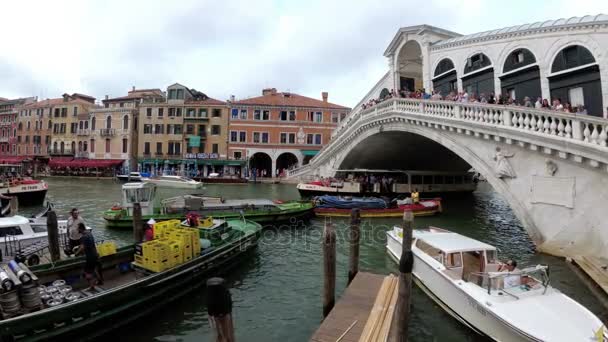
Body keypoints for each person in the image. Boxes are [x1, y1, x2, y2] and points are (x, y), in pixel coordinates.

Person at [74, 223, 103, 290]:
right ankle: (100, 281)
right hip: (95, 254)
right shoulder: (89, 233)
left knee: (87, 272)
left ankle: (91, 286)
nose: (77, 230)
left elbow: (82, 247)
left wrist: (76, 253)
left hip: (90, 257)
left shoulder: (84, 237)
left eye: (78, 228)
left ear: (80, 229)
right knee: (94, 269)